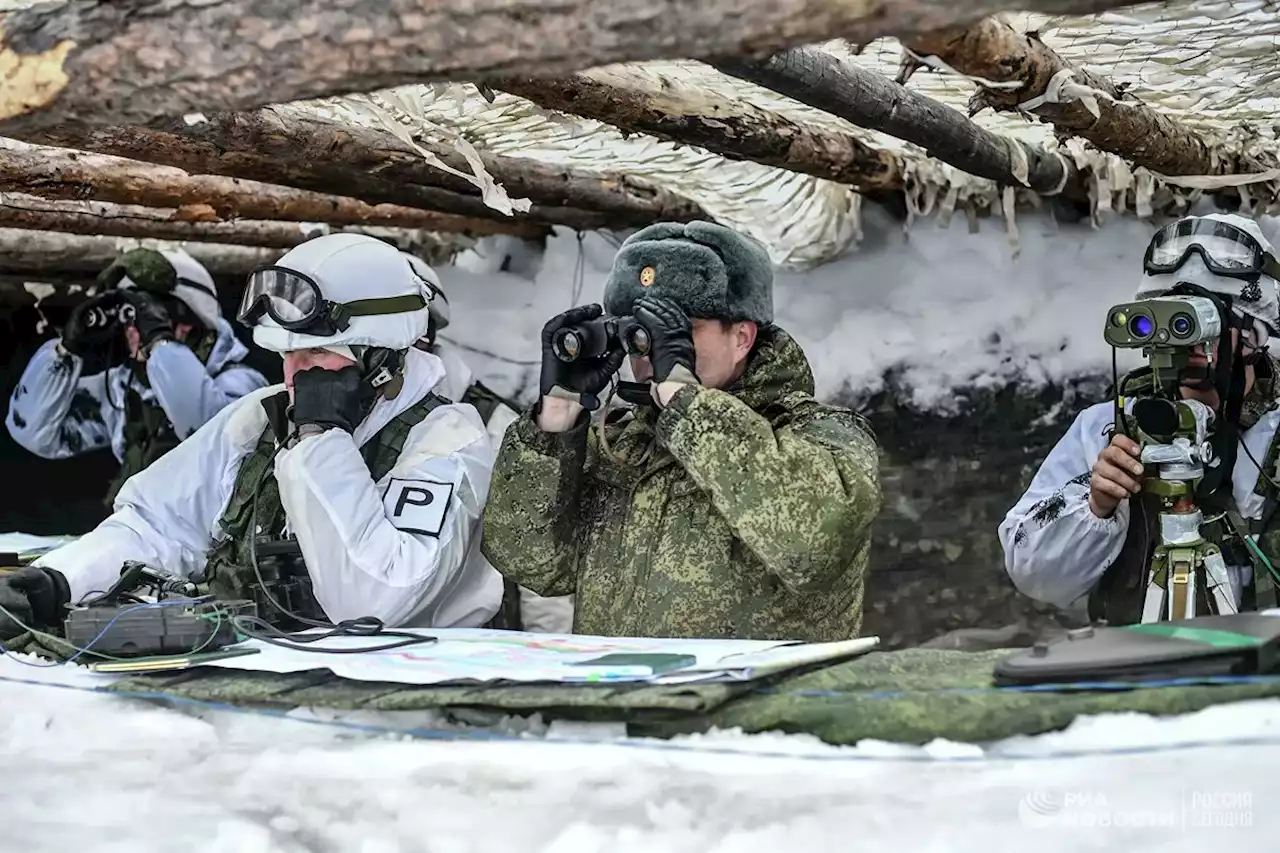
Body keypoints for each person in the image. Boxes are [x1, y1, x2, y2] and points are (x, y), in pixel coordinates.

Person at [0, 234, 502, 642]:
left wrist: (320, 438)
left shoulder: (448, 441)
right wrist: (57, 581)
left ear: (381, 355)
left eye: (316, 354)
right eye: (287, 355)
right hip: (259, 697)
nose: (293, 374)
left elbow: (374, 604)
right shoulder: (259, 418)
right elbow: (157, 526)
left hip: (401, 722)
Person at [481, 221, 882, 641]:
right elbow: (531, 562)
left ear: (742, 336)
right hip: (627, 699)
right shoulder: (622, 444)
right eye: (641, 335)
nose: (654, 352)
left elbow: (813, 545)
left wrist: (687, 403)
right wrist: (556, 420)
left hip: (755, 704)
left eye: (679, 332)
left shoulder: (821, 434)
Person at [1000, 212, 1280, 623]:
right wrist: (1096, 504)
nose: (1191, 344)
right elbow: (1034, 575)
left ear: (1255, 333)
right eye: (1171, 321)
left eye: (1205, 321)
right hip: (1142, 669)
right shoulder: (1109, 428)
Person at [5, 248, 267, 503]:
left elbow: (206, 433)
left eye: (145, 317)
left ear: (188, 321)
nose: (133, 332)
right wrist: (68, 349)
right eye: (129, 320)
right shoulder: (125, 390)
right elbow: (35, 433)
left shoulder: (242, 385)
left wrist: (160, 344)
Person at [403, 251, 575, 633]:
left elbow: (538, 549)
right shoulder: (323, 422)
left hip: (473, 646)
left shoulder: (490, 424)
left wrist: (547, 656)